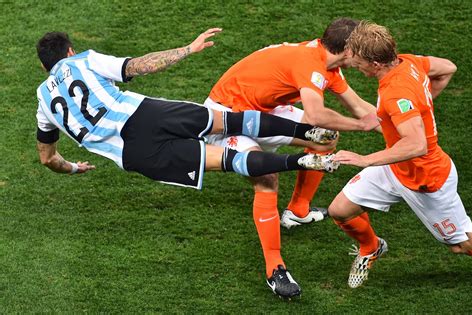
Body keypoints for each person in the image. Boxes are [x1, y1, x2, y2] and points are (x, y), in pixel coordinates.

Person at [34, 28, 343, 295]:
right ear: (69, 51)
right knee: (232, 122)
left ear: (43, 66)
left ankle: (299, 163)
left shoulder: (43, 103)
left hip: (137, 155)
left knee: (231, 160)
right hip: (148, 114)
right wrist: (187, 49)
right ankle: (307, 136)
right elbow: (137, 66)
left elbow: (48, 158)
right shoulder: (82, 60)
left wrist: (74, 167)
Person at [204, 18, 380, 298]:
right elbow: (315, 115)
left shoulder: (328, 63)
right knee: (266, 178)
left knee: (327, 138)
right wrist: (361, 126)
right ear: (349, 50)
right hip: (227, 117)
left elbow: (360, 107)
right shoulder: (309, 62)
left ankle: (298, 210)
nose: (367, 53)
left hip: (264, 111)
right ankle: (274, 268)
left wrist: (404, 133)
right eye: (362, 47)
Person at [329, 21, 472, 289]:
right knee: (341, 210)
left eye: (358, 60)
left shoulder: (396, 93)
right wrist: (421, 104)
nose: (354, 64)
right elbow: (447, 68)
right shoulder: (408, 62)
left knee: (463, 245)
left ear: (375, 63)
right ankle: (371, 248)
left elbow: (417, 145)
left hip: (425, 179)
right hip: (395, 166)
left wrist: (364, 160)